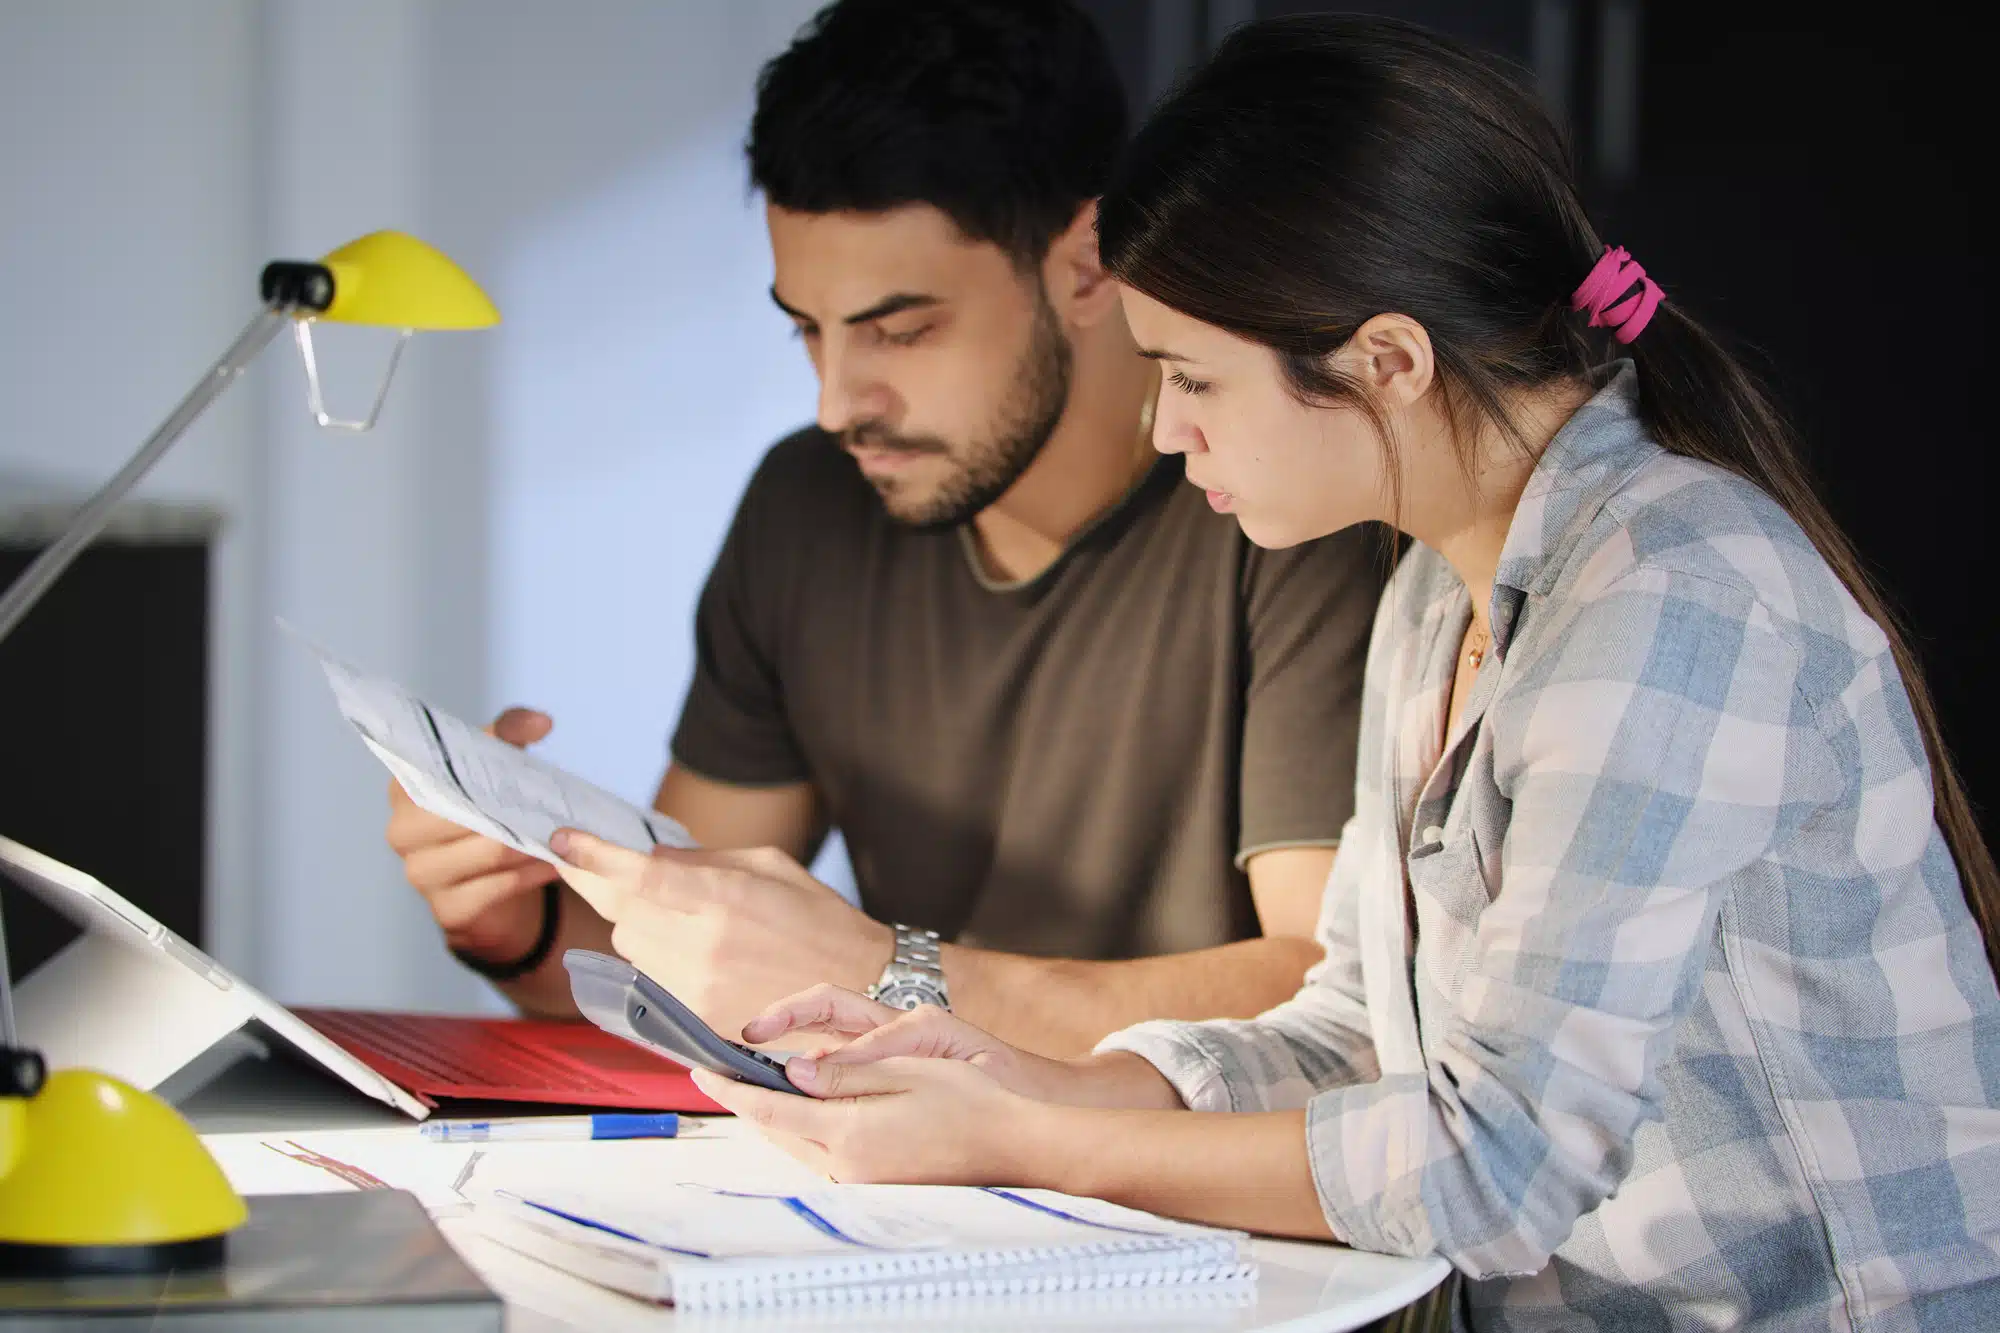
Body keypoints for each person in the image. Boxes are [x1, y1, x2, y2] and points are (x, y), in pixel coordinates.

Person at [640, 15, 2000, 1328]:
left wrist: (1036, 1142)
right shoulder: (1433, 591)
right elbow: (1359, 1028)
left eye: (1193, 378)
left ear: (1386, 363)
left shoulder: (1673, 591)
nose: (1165, 430)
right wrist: (1034, 1082)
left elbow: (1495, 1164)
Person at [387, 0, 1382, 1056]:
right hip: (910, 1185)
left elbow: (1320, 991)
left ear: (1088, 266)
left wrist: (882, 974)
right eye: (806, 329)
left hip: (1190, 1192)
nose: (836, 400)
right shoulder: (806, 507)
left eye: (899, 331)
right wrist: (513, 917)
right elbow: (680, 956)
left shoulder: (1284, 506)